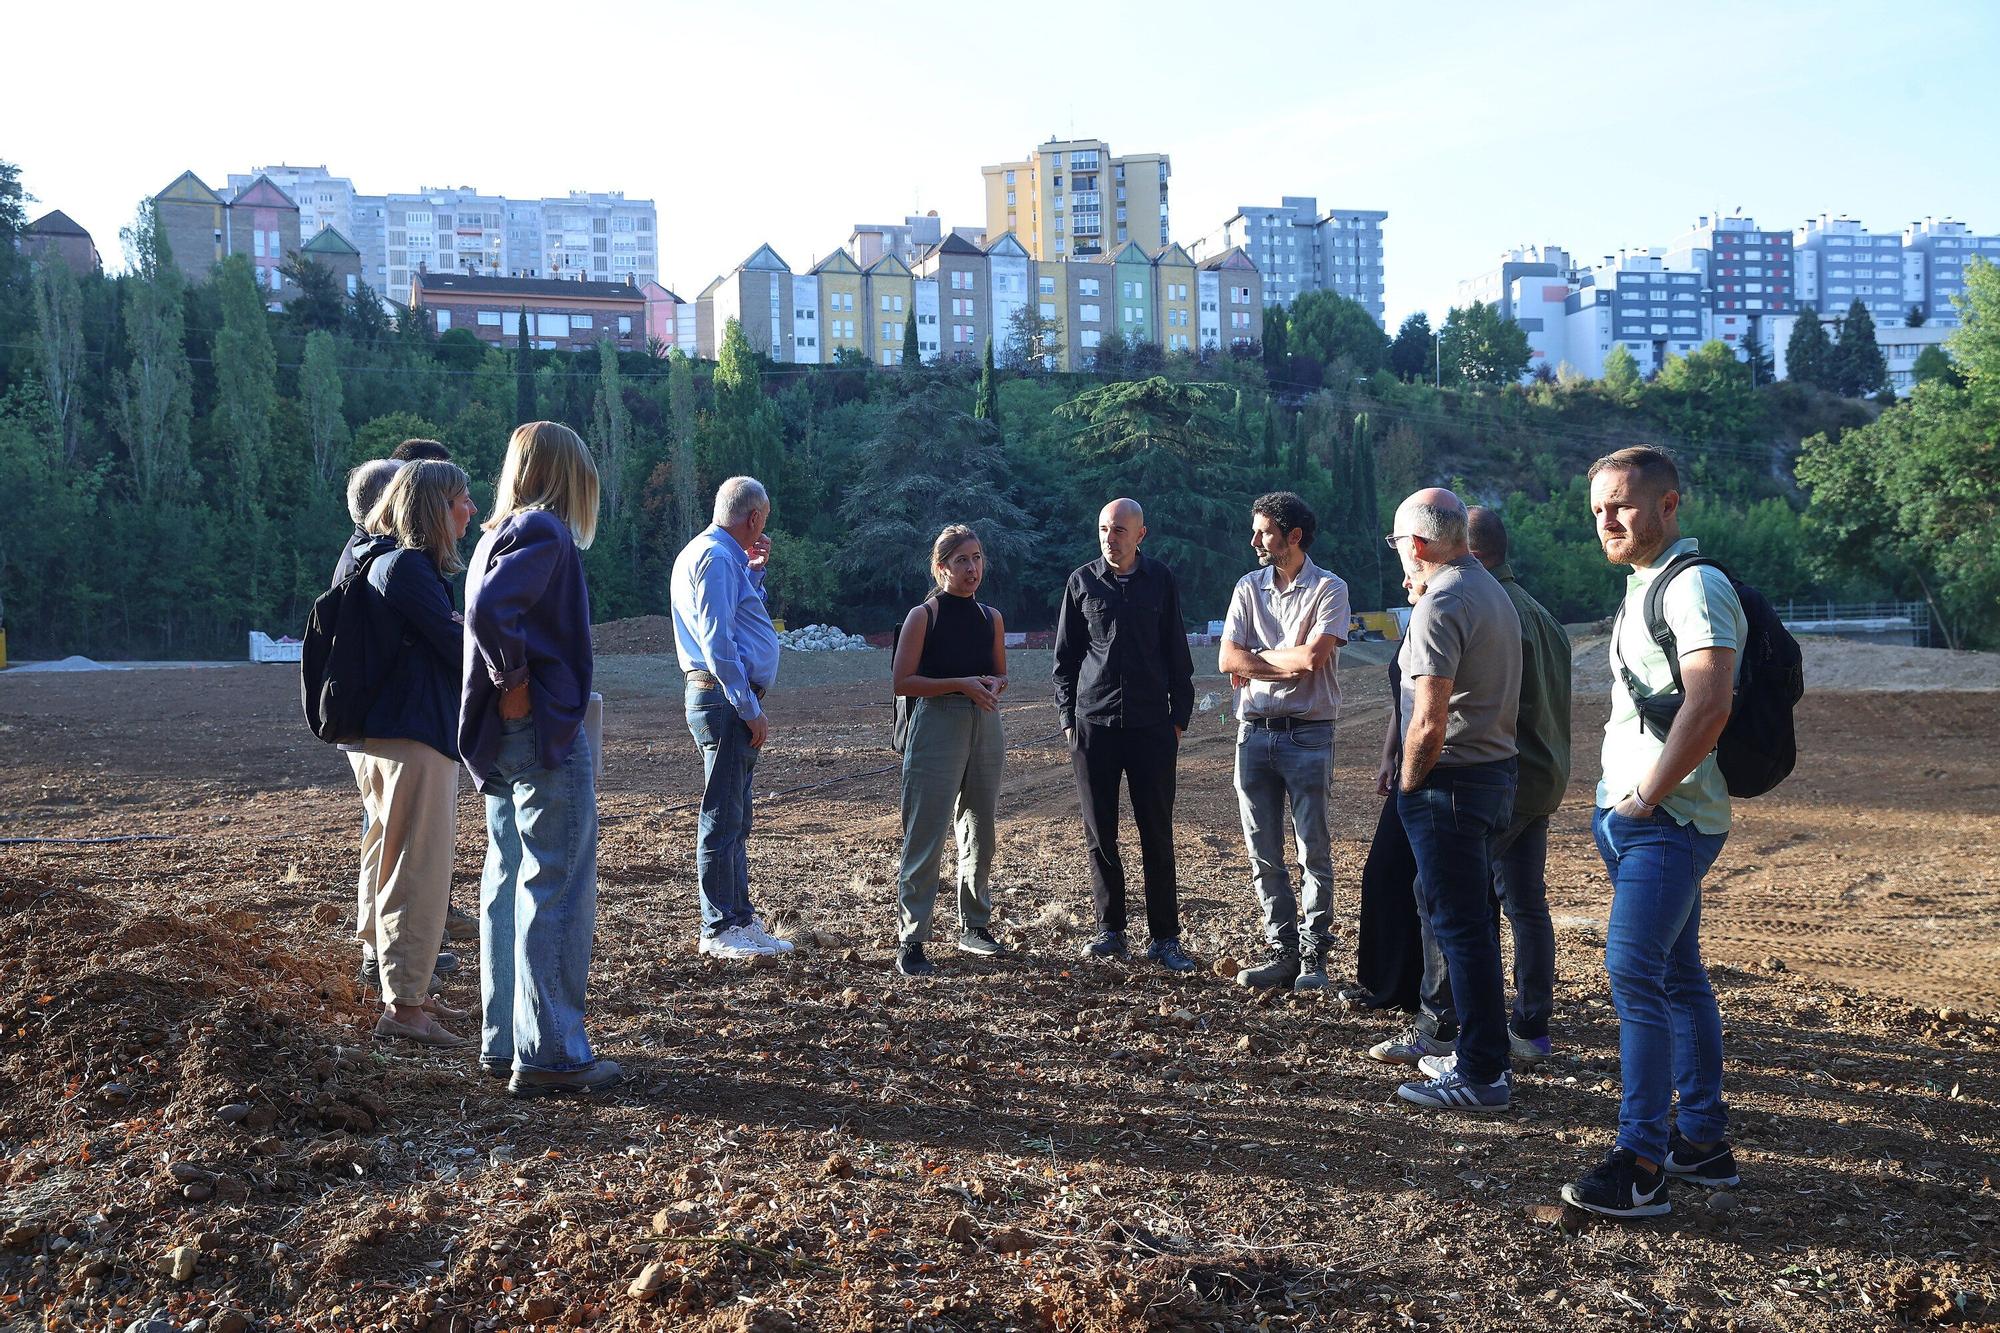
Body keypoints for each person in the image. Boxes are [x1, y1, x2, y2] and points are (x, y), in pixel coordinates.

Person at [1560, 446, 1745, 1219]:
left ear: (1669, 504)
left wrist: (1641, 796)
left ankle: (1641, 1165)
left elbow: (1710, 705)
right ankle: (1702, 1142)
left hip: (1664, 822)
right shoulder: (1646, 585)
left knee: (1633, 975)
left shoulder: (1695, 585)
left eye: (1623, 505)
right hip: (1644, 821)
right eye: (1598, 507)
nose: (1607, 519)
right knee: (1676, 977)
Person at [462, 421, 621, 1098]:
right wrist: (518, 683)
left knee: (508, 877)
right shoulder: (546, 531)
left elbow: (483, 607)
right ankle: (552, 1051)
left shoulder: (497, 531)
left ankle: (507, 1042)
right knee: (555, 879)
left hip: (500, 735)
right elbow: (491, 611)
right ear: (567, 475)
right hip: (538, 729)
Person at [1376, 488, 1522, 1112]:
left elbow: (1428, 722)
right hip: (1490, 774)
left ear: (1416, 544)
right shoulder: (1487, 588)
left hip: (1451, 784)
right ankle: (1473, 1050)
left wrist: (1410, 785)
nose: (1397, 557)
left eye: (1397, 545)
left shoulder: (1445, 601)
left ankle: (1482, 1073)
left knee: (1461, 929)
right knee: (1466, 919)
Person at [348, 460, 477, 1048]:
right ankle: (406, 1008)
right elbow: (462, 649)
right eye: (460, 500)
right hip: (416, 737)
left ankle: (396, 984)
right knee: (420, 869)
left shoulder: (377, 560)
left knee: (390, 852)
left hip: (389, 734)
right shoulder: (406, 568)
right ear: (432, 509)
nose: (470, 511)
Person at [1052, 498, 1197, 973]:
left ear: (1141, 534)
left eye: (1118, 531)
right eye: (1103, 530)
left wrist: (1180, 718)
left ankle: (1165, 938)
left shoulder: (1161, 580)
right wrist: (1069, 720)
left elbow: (1176, 651)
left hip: (1153, 725)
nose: (1109, 539)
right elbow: (1066, 660)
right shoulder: (1082, 582)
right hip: (1095, 726)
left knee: (1156, 832)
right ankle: (1110, 930)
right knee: (1101, 833)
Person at [1217, 492, 1348, 991]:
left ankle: (1314, 958)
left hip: (1310, 734)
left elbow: (1312, 662)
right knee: (1262, 851)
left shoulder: (1330, 589)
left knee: (1312, 849)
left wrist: (1257, 660)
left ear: (1293, 536)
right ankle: (1283, 953)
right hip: (1253, 735)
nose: (1254, 540)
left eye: (1264, 531)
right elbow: (1227, 659)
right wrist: (1278, 661)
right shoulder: (1248, 587)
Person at [670, 476, 792, 961]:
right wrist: (748, 705)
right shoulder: (717, 558)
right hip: (724, 701)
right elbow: (718, 640)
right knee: (723, 814)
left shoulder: (721, 557)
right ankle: (719, 924)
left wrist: (755, 575)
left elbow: (736, 619)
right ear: (754, 518)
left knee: (736, 815)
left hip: (725, 700)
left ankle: (739, 917)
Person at [889, 525, 1011, 977]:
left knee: (981, 828)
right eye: (962, 560)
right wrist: (960, 684)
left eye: (978, 558)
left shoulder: (991, 618)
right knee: (927, 831)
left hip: (985, 722)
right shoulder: (925, 616)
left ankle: (974, 926)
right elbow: (903, 682)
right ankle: (912, 938)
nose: (973, 568)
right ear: (941, 568)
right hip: (937, 722)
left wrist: (993, 685)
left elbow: (1000, 672)